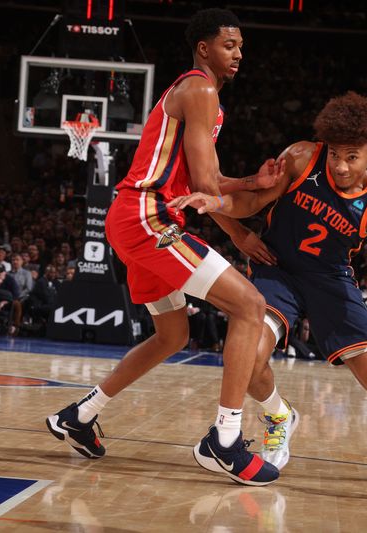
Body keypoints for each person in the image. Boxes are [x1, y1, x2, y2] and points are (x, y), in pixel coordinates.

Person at [45, 9, 282, 487]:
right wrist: (259, 189)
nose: (238, 54)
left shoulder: (201, 95)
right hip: (147, 217)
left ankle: (80, 414)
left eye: (240, 47)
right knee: (250, 306)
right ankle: (225, 440)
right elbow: (208, 184)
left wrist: (247, 195)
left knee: (172, 336)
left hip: (138, 220)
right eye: (230, 45)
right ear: (203, 48)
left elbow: (203, 188)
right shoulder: (201, 88)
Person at [171, 92, 367, 490]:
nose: (340, 165)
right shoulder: (302, 157)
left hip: (331, 283)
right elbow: (254, 199)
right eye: (335, 154)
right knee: (247, 362)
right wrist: (219, 206)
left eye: (352, 156)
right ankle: (279, 415)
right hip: (277, 269)